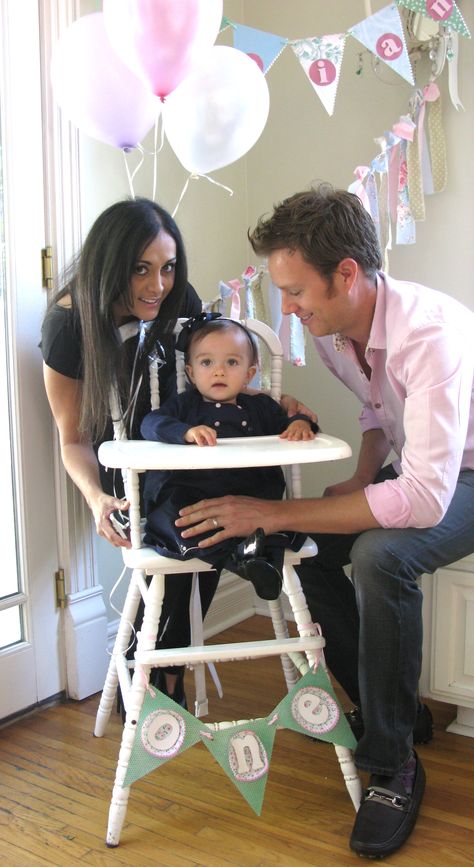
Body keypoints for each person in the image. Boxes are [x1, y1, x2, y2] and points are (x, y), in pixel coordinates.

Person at [173, 184, 474, 859]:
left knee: (377, 556)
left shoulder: (429, 334)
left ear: (346, 273)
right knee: (306, 548)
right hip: (431, 468)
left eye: (294, 289)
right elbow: (378, 415)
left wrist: (269, 507)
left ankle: (393, 762)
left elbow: (425, 498)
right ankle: (388, 707)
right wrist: (363, 476)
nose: (286, 307)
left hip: (467, 477)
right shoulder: (339, 331)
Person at [41, 196, 316, 707]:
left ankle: (165, 669)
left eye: (167, 268)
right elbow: (72, 439)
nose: (157, 286)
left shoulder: (176, 298)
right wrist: (96, 500)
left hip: (191, 450)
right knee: (189, 526)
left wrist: (269, 401)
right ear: (110, 266)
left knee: (215, 511)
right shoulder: (68, 327)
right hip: (123, 467)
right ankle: (160, 672)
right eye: (140, 270)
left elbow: (212, 366)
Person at [140, 314, 319, 601]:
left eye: (232, 363)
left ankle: (256, 561)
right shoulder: (186, 407)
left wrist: (300, 423)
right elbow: (150, 424)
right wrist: (185, 432)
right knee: (181, 523)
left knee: (274, 531)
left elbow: (286, 425)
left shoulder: (260, 407)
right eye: (207, 363)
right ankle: (248, 562)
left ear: (249, 374)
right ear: (191, 372)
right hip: (195, 498)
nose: (219, 371)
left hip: (252, 499)